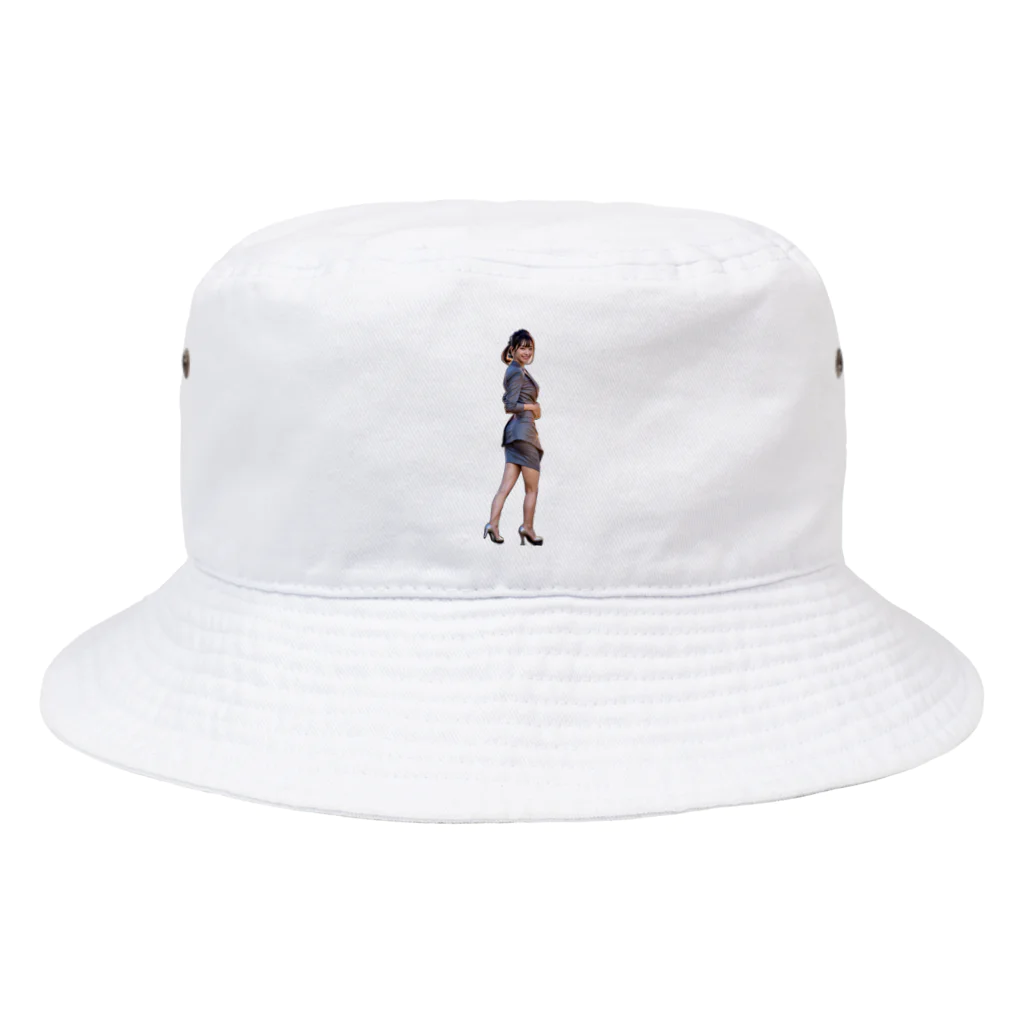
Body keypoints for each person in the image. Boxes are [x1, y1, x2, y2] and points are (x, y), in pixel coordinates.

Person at [484, 329, 544, 545]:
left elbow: (511, 398)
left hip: (515, 434)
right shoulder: (517, 372)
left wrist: (533, 408)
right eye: (523, 348)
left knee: (505, 487)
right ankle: (527, 528)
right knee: (532, 489)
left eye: (530, 348)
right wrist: (532, 407)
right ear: (513, 349)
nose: (527, 352)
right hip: (524, 434)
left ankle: (492, 524)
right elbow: (510, 405)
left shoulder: (516, 370)